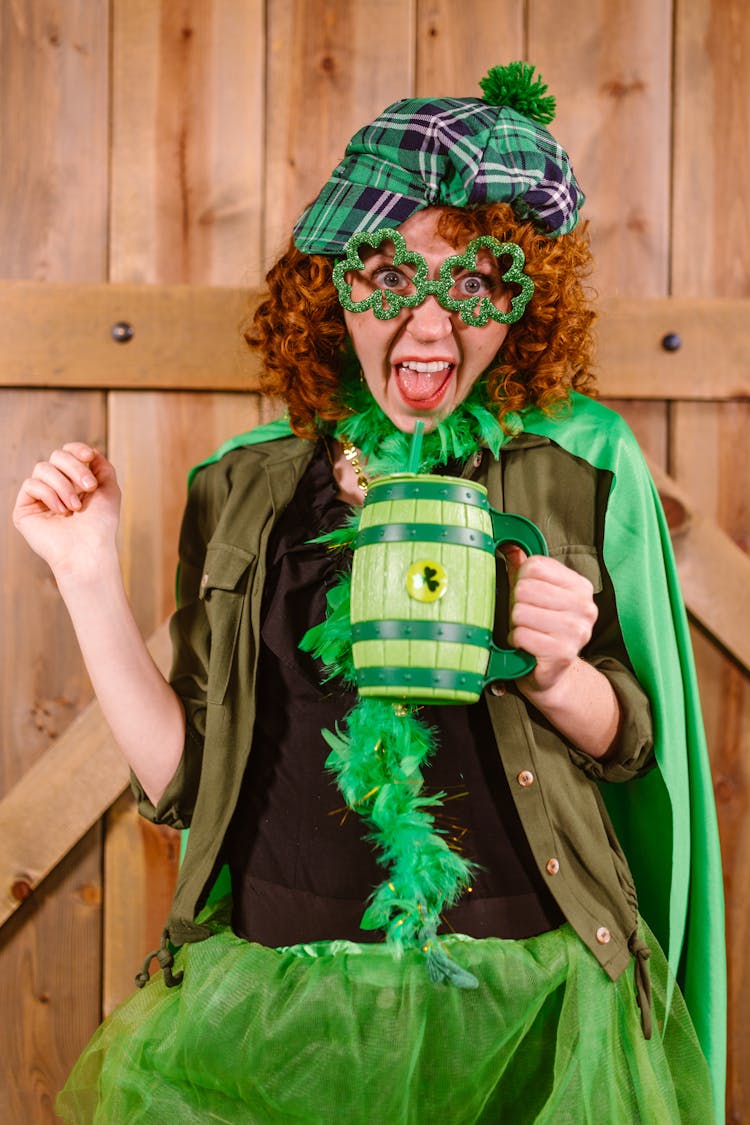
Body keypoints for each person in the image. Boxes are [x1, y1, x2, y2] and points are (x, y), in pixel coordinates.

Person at [13, 62, 724, 1123]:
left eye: (475, 283)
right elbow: (188, 782)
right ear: (330, 290)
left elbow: (630, 744)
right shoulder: (244, 480)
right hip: (275, 1004)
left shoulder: (579, 464)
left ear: (522, 304)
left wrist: (564, 674)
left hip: (525, 1001)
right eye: (391, 277)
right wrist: (84, 578)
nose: (431, 326)